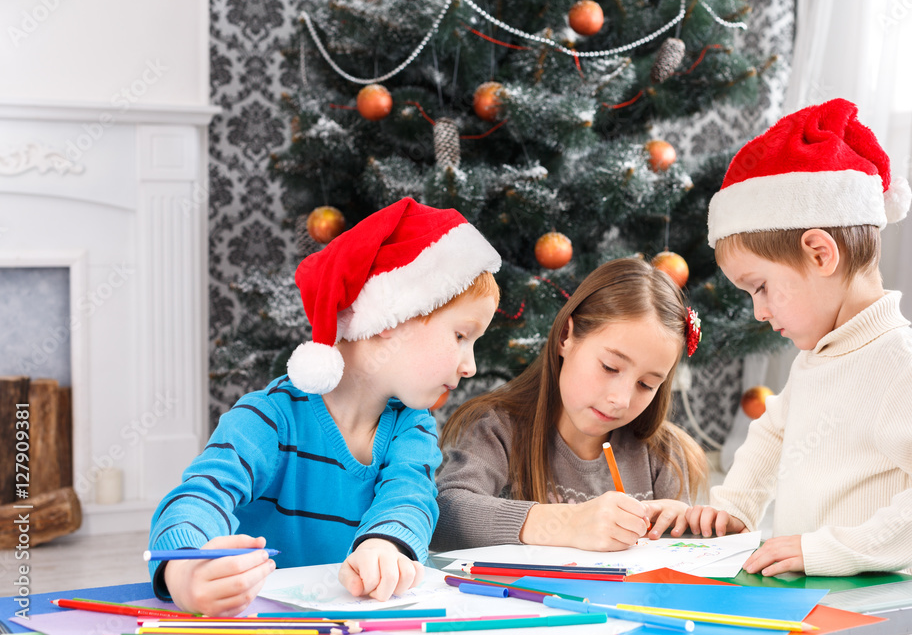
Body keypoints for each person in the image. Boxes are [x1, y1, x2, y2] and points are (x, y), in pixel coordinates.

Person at [687, 98, 912, 586]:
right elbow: (774, 434)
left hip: (878, 611)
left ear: (819, 253)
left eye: (760, 286)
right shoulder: (820, 356)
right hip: (818, 599)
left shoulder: (899, 362)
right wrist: (735, 510)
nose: (759, 311)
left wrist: (844, 550)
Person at [148, 197, 501, 616]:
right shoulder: (269, 418)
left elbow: (410, 498)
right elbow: (199, 496)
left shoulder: (413, 428)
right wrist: (184, 571)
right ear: (391, 320)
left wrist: (385, 544)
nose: (470, 365)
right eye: (461, 335)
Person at [432, 256, 709, 553]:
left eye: (646, 385)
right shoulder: (497, 429)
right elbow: (445, 516)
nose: (621, 400)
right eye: (610, 367)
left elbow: (676, 569)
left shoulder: (664, 454)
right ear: (566, 335)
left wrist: (693, 529)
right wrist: (569, 522)